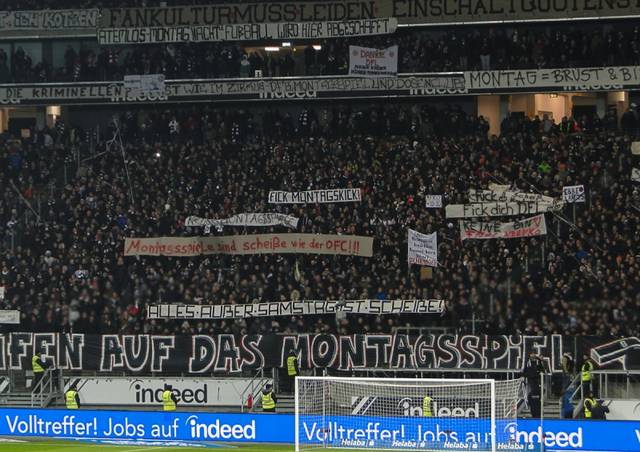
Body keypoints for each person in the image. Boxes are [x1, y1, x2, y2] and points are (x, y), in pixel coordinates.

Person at [523, 352, 545, 418]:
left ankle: (538, 412)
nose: (533, 355)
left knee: (536, 391)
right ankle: (535, 412)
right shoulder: (528, 362)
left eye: (534, 354)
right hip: (531, 378)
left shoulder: (538, 361)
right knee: (533, 392)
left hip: (537, 379)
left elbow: (542, 369)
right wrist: (523, 376)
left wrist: (540, 372)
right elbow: (525, 370)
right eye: (531, 354)